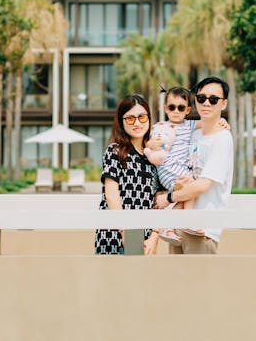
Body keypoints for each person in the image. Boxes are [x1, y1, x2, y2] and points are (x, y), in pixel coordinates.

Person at [154, 76, 234, 254]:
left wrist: (168, 198)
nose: (206, 103)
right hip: (179, 228)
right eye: (201, 98)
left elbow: (203, 185)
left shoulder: (222, 139)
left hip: (203, 230)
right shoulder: (194, 134)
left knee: (200, 281)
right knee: (177, 282)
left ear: (224, 104)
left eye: (213, 99)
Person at [95, 94, 160, 255]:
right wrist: (126, 233)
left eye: (142, 117)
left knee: (142, 280)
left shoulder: (155, 157)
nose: (137, 123)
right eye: (130, 118)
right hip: (114, 234)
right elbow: (111, 195)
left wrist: (155, 236)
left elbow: (158, 202)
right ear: (121, 122)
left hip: (146, 238)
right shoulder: (115, 151)